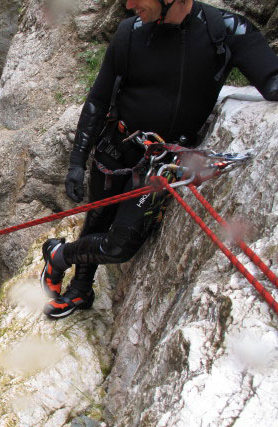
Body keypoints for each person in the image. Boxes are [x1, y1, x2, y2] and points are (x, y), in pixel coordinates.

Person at [41, 0, 278, 318]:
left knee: (119, 245)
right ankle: (81, 289)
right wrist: (77, 159)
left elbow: (272, 80)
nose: (129, 4)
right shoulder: (130, 33)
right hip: (116, 150)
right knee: (98, 219)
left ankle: (59, 256)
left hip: (161, 162)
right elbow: (98, 100)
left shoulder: (225, 31)